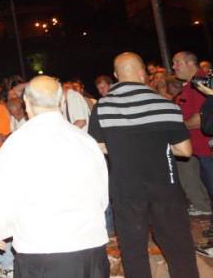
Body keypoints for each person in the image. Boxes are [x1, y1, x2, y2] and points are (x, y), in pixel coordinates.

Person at [0, 76, 109, 278]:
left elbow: (3, 197)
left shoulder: (16, 144)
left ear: (26, 104)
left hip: (41, 250)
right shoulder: (85, 141)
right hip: (90, 247)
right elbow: (101, 196)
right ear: (61, 102)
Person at [88, 52, 198, 277]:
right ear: (142, 73)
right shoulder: (166, 105)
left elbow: (97, 148)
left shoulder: (103, 108)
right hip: (165, 186)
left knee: (133, 249)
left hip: (126, 189)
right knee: (178, 245)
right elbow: (185, 151)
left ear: (117, 75)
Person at [174, 51, 213, 214]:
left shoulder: (200, 82)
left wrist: (177, 128)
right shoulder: (191, 84)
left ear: (191, 64)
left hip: (207, 149)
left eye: (177, 63)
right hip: (200, 150)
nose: (174, 67)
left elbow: (200, 118)